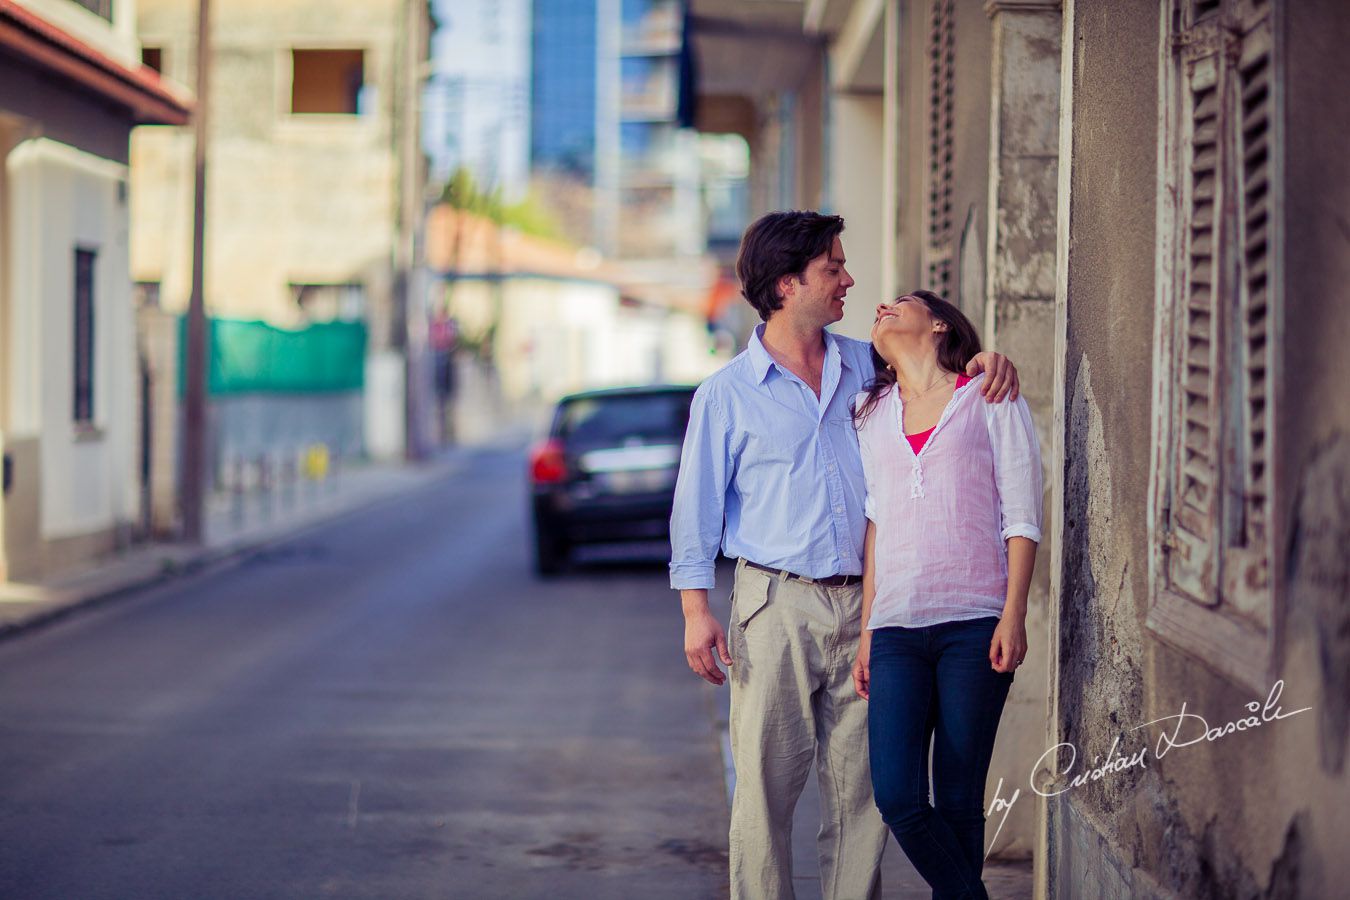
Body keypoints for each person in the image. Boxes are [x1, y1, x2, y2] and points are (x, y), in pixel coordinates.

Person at [669, 211, 1020, 900]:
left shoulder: (871, 364)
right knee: (764, 795)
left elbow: (945, 383)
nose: (849, 279)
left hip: (873, 609)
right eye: (833, 267)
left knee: (862, 798)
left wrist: (987, 361)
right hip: (775, 605)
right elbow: (696, 513)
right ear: (786, 284)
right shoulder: (726, 395)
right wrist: (694, 613)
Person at [850, 290, 1042, 899]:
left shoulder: (987, 397)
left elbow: (1022, 513)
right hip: (897, 629)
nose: (882, 305)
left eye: (899, 302)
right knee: (898, 796)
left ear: (937, 323)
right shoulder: (868, 410)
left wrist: (1014, 614)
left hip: (974, 622)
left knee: (959, 796)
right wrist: (867, 632)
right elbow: (876, 522)